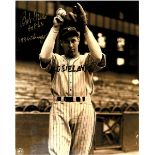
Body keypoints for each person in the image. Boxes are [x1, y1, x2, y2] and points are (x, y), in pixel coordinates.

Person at [39, 3, 106, 155]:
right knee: (57, 152)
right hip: (60, 106)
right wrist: (55, 28)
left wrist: (84, 26)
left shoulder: (86, 60)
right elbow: (44, 56)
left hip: (83, 106)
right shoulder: (56, 60)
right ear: (61, 43)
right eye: (67, 41)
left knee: (80, 153)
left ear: (78, 40)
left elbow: (98, 56)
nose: (70, 44)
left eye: (73, 40)